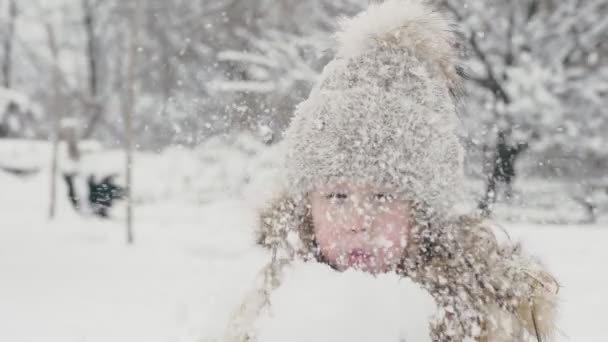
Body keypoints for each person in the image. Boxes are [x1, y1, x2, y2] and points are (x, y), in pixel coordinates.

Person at [225, 0, 559, 340]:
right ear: (307, 207)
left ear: (424, 212)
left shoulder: (484, 319)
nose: (358, 221)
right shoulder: (272, 308)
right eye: (337, 195)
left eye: (383, 195)